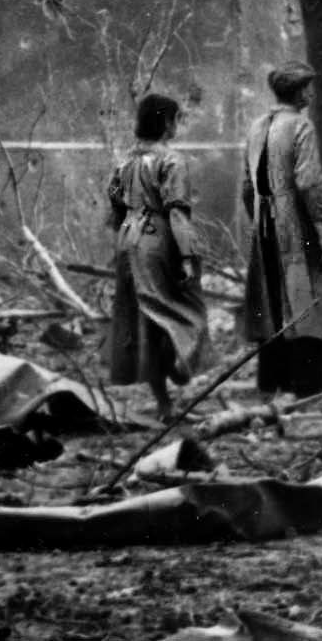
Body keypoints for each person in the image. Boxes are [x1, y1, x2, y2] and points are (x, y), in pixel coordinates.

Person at [243, 61, 322, 401]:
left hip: (263, 223)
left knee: (270, 302)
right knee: (309, 301)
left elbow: (247, 184)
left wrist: (257, 218)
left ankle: (271, 383)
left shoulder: (257, 126)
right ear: (299, 92)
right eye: (308, 88)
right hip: (296, 225)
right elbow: (310, 182)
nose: (312, 94)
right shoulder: (301, 126)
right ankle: (309, 386)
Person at [106, 92, 208, 421]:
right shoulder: (172, 160)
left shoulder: (124, 161)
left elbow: (114, 211)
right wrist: (188, 255)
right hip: (159, 239)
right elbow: (177, 212)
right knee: (188, 312)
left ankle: (165, 405)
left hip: (128, 241)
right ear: (166, 122)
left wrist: (129, 236)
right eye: (176, 119)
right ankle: (181, 367)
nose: (178, 126)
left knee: (144, 322)